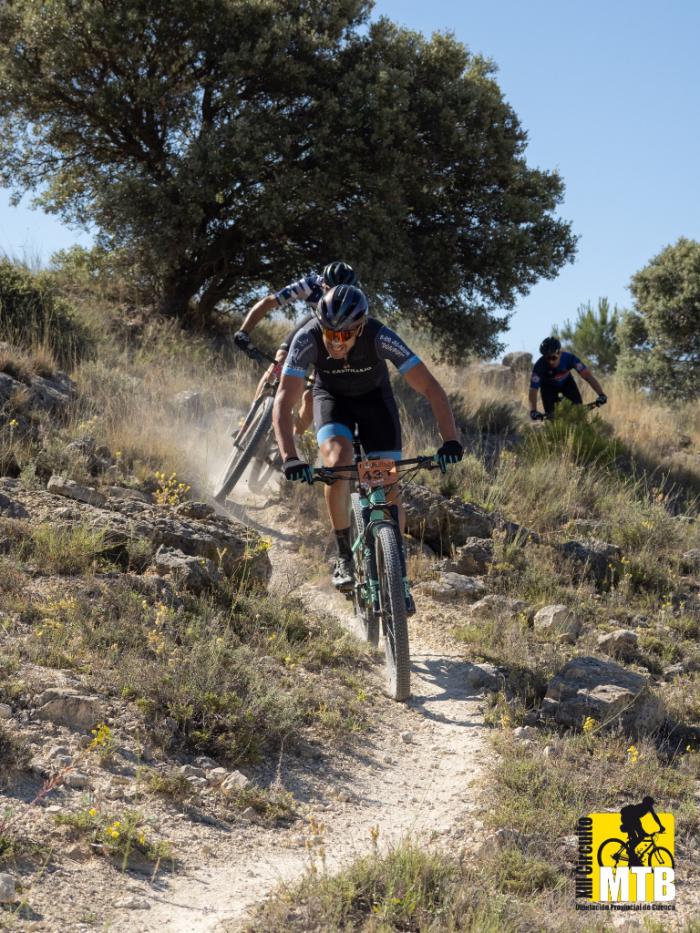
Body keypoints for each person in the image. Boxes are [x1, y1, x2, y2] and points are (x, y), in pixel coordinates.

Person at [272, 284, 463, 591]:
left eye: (345, 335)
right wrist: (290, 457)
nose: (336, 342)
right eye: (329, 334)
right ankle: (345, 555)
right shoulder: (306, 338)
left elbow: (431, 387)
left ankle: (397, 574)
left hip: (375, 402)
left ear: (360, 328)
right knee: (337, 463)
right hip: (332, 399)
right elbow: (284, 400)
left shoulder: (380, 336)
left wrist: (450, 440)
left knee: (388, 487)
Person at [233, 262, 357, 432]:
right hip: (312, 328)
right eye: (330, 289)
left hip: (335, 342)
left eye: (341, 292)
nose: (335, 296)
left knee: (311, 397)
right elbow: (269, 302)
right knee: (279, 363)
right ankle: (247, 425)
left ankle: (293, 437)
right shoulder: (310, 285)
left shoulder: (356, 301)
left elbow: (358, 340)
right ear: (323, 283)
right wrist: (244, 331)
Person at [529, 337, 607, 419]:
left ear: (560, 353)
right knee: (552, 418)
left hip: (567, 383)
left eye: (553, 358)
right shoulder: (539, 366)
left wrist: (601, 394)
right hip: (548, 387)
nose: (550, 361)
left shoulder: (569, 359)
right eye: (547, 358)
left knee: (578, 413)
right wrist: (533, 410)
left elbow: (587, 376)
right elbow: (533, 390)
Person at [619, 796, 666, 866]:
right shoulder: (640, 808)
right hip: (628, 819)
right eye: (651, 804)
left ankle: (632, 859)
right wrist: (644, 832)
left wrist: (660, 826)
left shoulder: (647, 807)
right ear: (648, 803)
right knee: (638, 837)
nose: (652, 806)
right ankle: (631, 855)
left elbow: (654, 816)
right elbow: (637, 823)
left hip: (633, 820)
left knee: (638, 838)